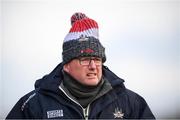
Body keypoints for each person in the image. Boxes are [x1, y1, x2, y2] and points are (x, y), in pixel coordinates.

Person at [6, 12, 155, 119]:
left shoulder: (130, 103)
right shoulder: (34, 105)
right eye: (84, 59)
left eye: (97, 59)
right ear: (66, 65)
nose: (93, 66)